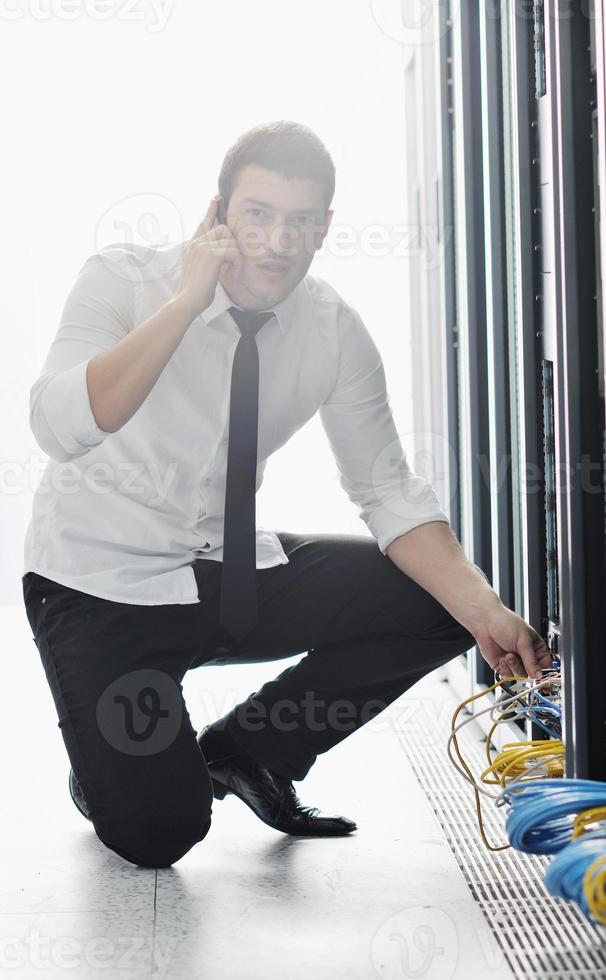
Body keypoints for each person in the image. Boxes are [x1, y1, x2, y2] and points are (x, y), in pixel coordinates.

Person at [21, 120, 552, 869]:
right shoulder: (122, 279)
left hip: (223, 574)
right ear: (218, 214)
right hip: (98, 590)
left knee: (442, 603)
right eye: (258, 215)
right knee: (160, 833)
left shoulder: (332, 327)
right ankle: (121, 766)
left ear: (325, 228)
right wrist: (184, 303)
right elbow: (63, 426)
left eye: (300, 221)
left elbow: (388, 489)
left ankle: (249, 751)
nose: (277, 241)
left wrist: (485, 609)